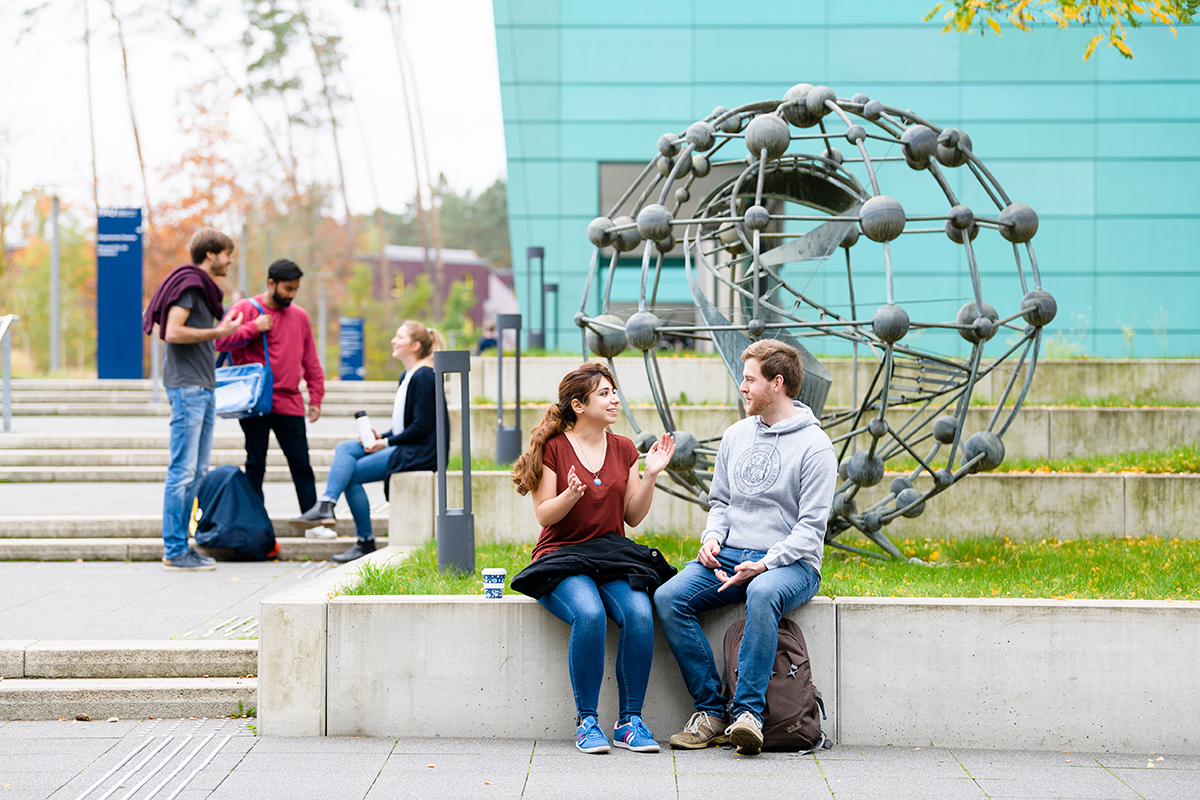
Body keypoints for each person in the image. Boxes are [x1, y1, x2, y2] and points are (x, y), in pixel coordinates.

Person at [654, 339, 837, 756]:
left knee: (763, 591)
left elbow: (811, 531)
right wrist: (712, 539)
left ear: (777, 383)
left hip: (791, 564)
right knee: (668, 597)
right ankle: (712, 711)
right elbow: (720, 502)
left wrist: (766, 564)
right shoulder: (736, 435)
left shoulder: (815, 447)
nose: (742, 386)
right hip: (731, 554)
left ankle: (748, 714)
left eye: (749, 379)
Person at [509, 363, 676, 755]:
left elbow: (632, 516)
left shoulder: (623, 448)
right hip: (562, 556)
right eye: (604, 393)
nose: (614, 398)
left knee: (638, 613)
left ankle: (629, 722)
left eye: (614, 391)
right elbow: (544, 514)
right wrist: (569, 495)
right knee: (590, 614)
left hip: (611, 556)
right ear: (578, 405)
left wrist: (650, 475)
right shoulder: (554, 447)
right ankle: (587, 722)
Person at [291, 320, 445, 563]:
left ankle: (364, 541)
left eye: (399, 337)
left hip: (419, 452)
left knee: (351, 475)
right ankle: (327, 503)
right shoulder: (407, 375)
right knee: (345, 448)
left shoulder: (424, 376)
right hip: (404, 444)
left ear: (415, 345)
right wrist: (381, 436)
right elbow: (405, 424)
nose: (394, 341)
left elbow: (422, 427)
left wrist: (385, 443)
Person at [142, 227, 242, 571]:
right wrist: (220, 332)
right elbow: (172, 332)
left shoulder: (202, 290)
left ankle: (183, 547)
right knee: (183, 471)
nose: (230, 260)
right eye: (227, 253)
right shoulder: (190, 285)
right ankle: (174, 550)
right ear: (210, 254)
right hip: (188, 388)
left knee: (197, 471)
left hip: (203, 385)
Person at [215, 258, 325, 514]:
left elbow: (310, 359)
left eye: (296, 288)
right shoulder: (246, 308)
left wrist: (316, 397)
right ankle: (255, 522)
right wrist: (253, 327)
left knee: (301, 464)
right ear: (271, 283)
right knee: (255, 464)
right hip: (255, 403)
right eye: (288, 288)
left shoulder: (300, 316)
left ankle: (311, 519)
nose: (292, 294)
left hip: (290, 402)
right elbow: (220, 341)